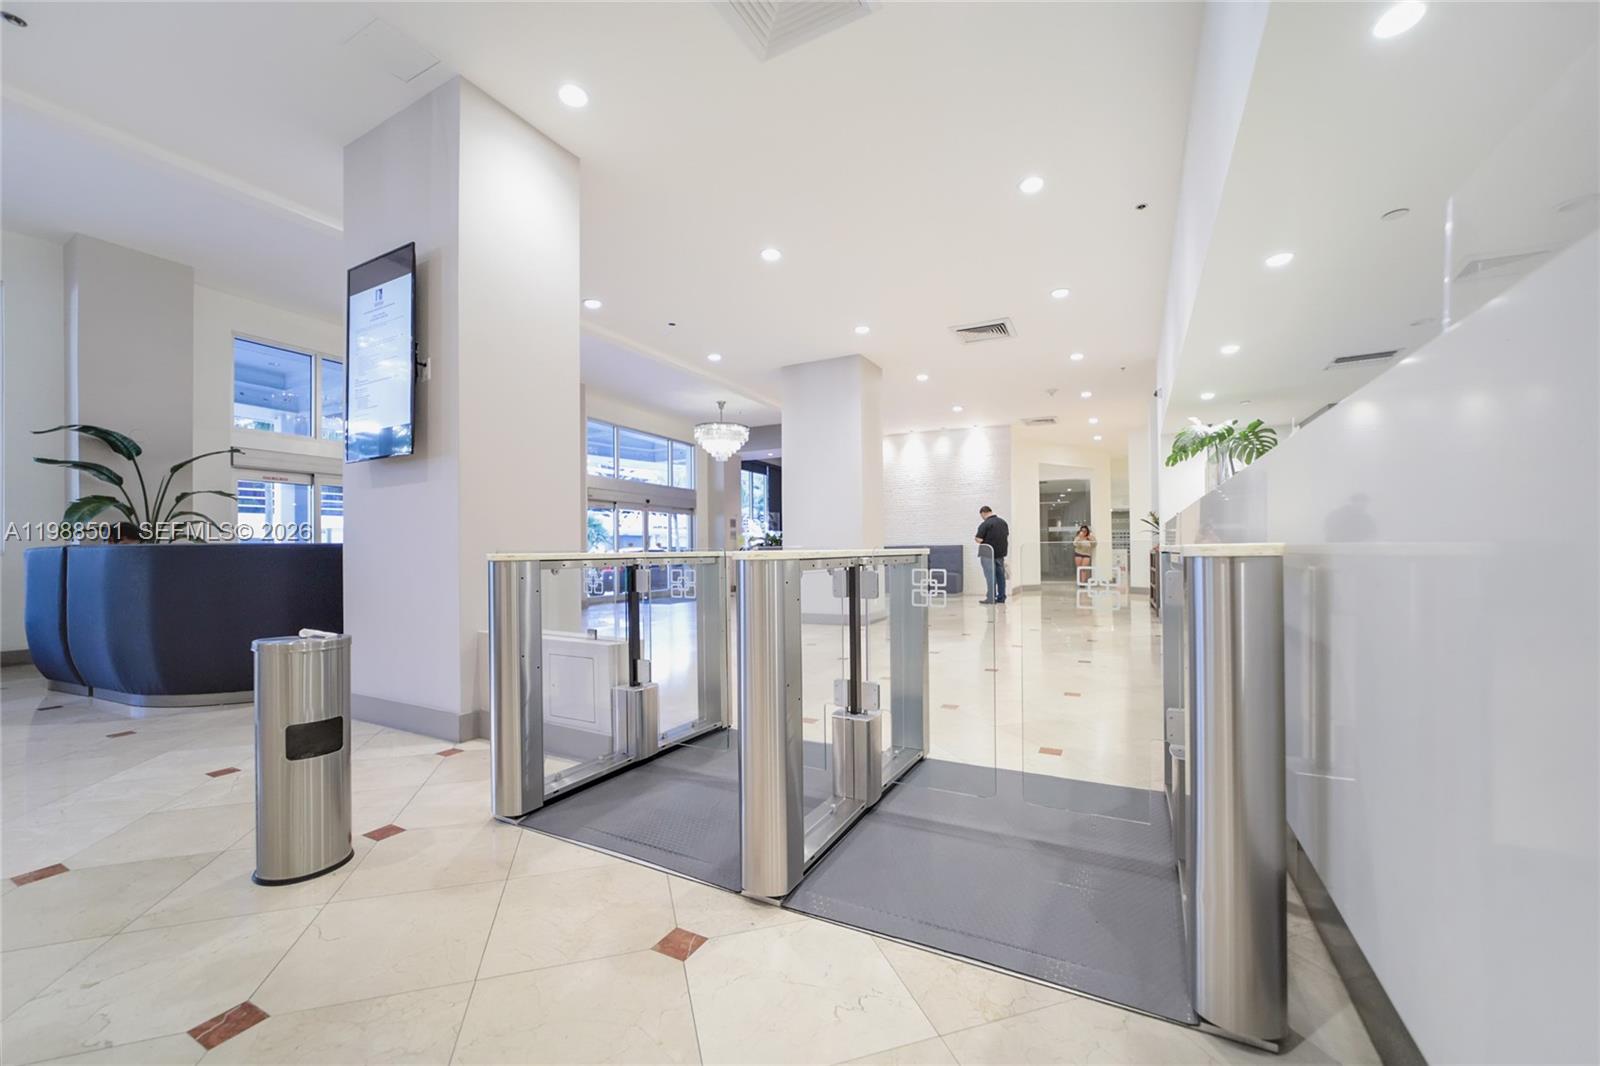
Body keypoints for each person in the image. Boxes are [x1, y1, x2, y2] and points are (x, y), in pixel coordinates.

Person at [974, 506, 1009, 604]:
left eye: (982, 516)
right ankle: (1001, 597)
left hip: (988, 554)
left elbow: (979, 539)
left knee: (990, 576)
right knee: (1000, 577)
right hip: (1001, 554)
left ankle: (991, 598)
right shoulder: (1003, 522)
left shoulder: (986, 524)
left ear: (983, 513)